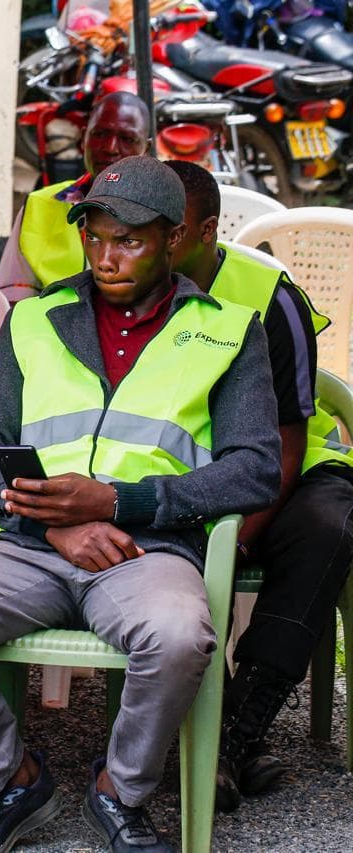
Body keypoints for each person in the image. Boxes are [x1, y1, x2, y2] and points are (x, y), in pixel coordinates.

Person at [0, 155, 282, 853]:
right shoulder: (35, 319)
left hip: (147, 551)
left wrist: (121, 500)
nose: (107, 255)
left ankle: (121, 793)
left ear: (173, 239)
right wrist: (53, 525)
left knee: (177, 634)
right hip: (25, 543)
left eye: (128, 240)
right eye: (95, 237)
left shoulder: (230, 330)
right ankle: (13, 778)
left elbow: (254, 469)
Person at [167, 160, 353, 811]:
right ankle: (208, 735)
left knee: (330, 529)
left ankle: (237, 733)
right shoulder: (137, 285)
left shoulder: (266, 292)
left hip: (289, 470)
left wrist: (243, 535)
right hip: (189, 467)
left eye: (173, 231)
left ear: (210, 231)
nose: (154, 244)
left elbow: (289, 435)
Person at [0, 91, 149, 298]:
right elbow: (13, 299)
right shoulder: (40, 205)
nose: (111, 148)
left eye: (127, 139)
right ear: (83, 138)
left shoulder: (165, 212)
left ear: (145, 148)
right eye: (100, 134)